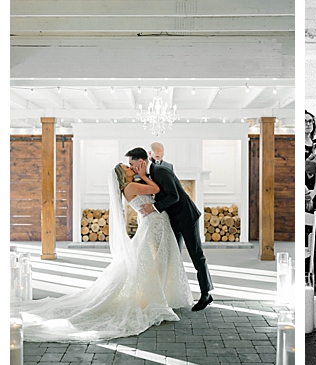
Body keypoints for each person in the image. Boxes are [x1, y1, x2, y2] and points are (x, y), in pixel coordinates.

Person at [17, 160, 193, 342]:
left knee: (158, 262)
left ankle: (160, 296)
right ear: (122, 175)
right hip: (154, 225)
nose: (131, 168)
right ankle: (156, 299)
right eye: (127, 168)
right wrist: (143, 175)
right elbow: (156, 190)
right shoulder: (131, 186)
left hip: (156, 224)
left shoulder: (132, 185)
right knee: (156, 262)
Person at [127, 146, 214, 312]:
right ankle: (169, 295)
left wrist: (153, 208)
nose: (131, 167)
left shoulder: (162, 171)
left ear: (141, 161)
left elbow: (174, 196)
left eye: (131, 163)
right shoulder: (144, 176)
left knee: (197, 255)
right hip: (171, 220)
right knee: (173, 255)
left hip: (187, 217)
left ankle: (206, 294)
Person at [305, 111, 316, 211]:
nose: (308, 124)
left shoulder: (315, 146)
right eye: (305, 121)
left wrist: (314, 191)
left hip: (312, 190)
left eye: (310, 121)